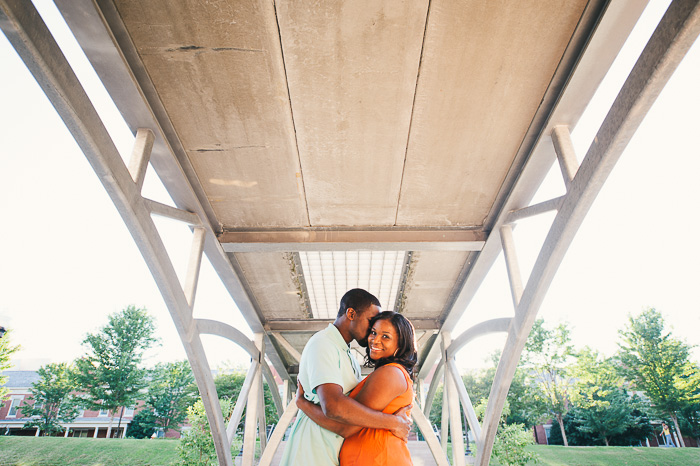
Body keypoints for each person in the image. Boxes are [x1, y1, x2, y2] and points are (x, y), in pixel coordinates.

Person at [279, 290, 412, 466]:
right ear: (351, 314)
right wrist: (394, 422)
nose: (374, 337)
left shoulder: (349, 357)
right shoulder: (323, 344)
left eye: (385, 336)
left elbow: (349, 419)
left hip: (335, 453)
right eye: (372, 325)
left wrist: (302, 403)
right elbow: (334, 407)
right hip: (315, 451)